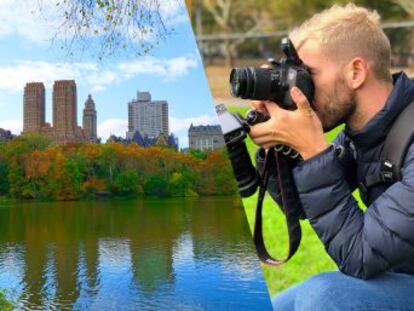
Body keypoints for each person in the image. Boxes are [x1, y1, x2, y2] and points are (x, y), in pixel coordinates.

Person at [248, 4, 414, 311]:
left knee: (324, 295)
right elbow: (298, 205)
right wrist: (280, 148)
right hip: (400, 278)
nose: (301, 89)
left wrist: (313, 150)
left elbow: (360, 254)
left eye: (308, 75)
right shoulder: (363, 133)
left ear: (356, 72)